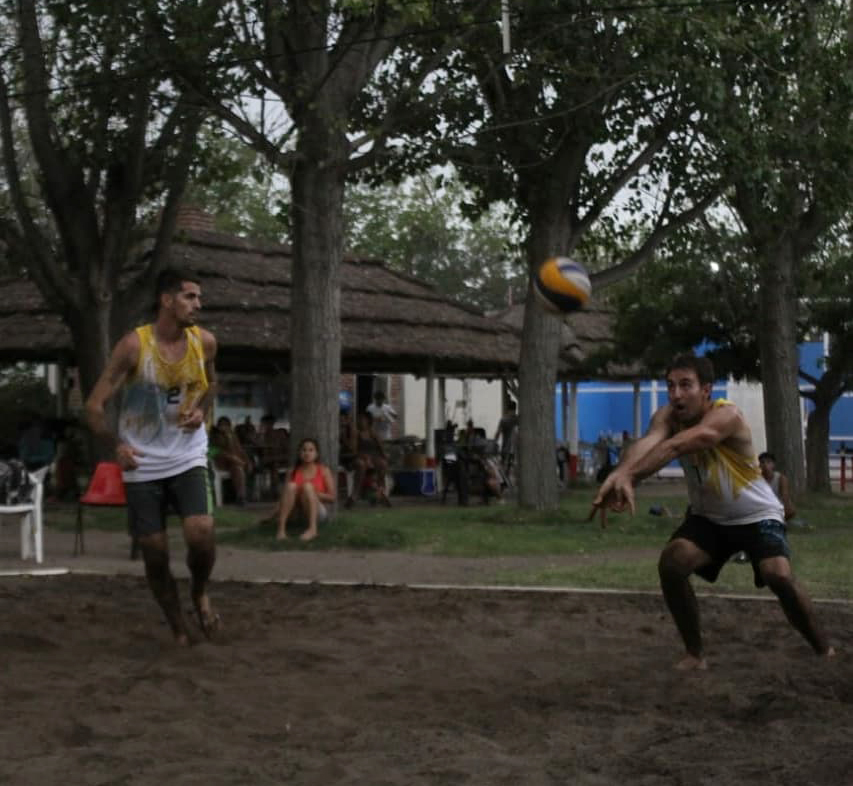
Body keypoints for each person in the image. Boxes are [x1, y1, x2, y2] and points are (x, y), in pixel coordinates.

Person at [592, 352, 833, 670]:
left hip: (758, 516)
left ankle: (824, 651)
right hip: (710, 519)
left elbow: (676, 446)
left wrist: (630, 476)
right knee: (673, 563)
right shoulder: (667, 416)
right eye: (671, 386)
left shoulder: (726, 416)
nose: (676, 394)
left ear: (706, 390)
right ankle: (695, 655)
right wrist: (620, 473)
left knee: (778, 576)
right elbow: (650, 441)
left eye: (686, 385)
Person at [85, 267, 219, 645]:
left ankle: (199, 592)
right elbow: (94, 407)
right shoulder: (133, 346)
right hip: (142, 462)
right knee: (155, 551)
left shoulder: (205, 342)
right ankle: (177, 624)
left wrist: (202, 411)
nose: (198, 304)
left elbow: (212, 385)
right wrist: (116, 445)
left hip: (187, 455)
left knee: (201, 532)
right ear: (166, 300)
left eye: (199, 297)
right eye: (190, 296)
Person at [275, 438, 335, 542]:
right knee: (291, 486)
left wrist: (313, 493)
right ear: (299, 453)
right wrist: (271, 515)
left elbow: (332, 497)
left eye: (311, 450)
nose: (307, 453)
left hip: (317, 511)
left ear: (316, 454)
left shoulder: (324, 470)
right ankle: (281, 530)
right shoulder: (292, 471)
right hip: (296, 511)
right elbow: (284, 497)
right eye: (304, 450)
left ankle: (313, 529)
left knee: (307, 486)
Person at [345, 411, 391, 508]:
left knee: (383, 464)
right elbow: (353, 450)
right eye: (359, 419)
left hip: (374, 457)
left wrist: (384, 455)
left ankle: (381, 491)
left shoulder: (372, 432)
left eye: (363, 419)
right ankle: (355, 494)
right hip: (358, 457)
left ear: (368, 421)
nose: (360, 421)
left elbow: (381, 447)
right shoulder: (356, 432)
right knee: (361, 464)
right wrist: (365, 457)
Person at [210, 415, 251, 505]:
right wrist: (234, 458)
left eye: (226, 425)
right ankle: (240, 496)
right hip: (221, 462)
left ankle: (241, 497)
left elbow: (239, 449)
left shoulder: (232, 435)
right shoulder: (215, 436)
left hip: (234, 464)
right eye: (222, 425)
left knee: (238, 468)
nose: (224, 427)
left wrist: (246, 460)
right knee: (237, 465)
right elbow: (218, 452)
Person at [758, 451, 795, 521]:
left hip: (777, 504)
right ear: (759, 465)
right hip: (762, 505)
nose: (765, 465)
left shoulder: (781, 478)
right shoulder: (757, 479)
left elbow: (785, 495)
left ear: (773, 464)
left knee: (791, 510)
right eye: (762, 462)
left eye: (768, 462)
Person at [494, 400, 519, 477]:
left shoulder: (504, 420)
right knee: (515, 469)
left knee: (504, 470)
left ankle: (505, 483)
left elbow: (497, 434)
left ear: (507, 409)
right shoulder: (518, 419)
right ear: (515, 409)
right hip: (516, 449)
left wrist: (493, 442)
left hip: (505, 448)